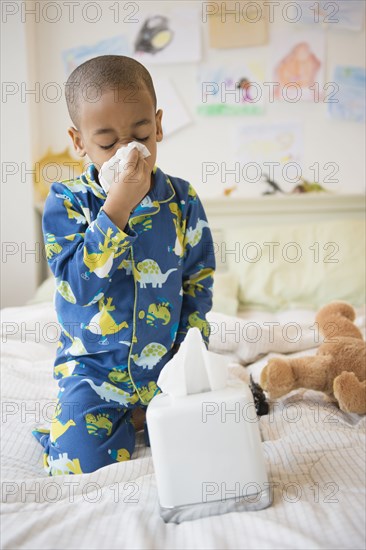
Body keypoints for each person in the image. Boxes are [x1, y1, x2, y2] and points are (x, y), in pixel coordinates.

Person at [32, 55, 215, 476]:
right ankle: (81, 423)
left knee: (214, 439)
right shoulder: (67, 201)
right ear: (79, 142)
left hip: (165, 370)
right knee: (74, 466)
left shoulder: (182, 200)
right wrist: (117, 208)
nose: (129, 152)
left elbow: (197, 283)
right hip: (93, 371)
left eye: (141, 135)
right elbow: (78, 286)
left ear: (159, 125)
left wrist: (192, 359)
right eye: (108, 142)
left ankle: (142, 414)